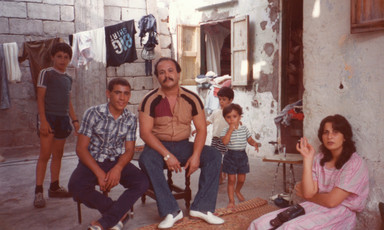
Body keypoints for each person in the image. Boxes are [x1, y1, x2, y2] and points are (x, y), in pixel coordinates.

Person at [138, 57, 225, 229]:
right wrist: (167, 155)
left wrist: (196, 156)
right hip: (158, 147)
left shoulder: (192, 98)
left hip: (183, 145)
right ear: (157, 77)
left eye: (170, 70)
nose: (167, 75)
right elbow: (145, 133)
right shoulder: (149, 99)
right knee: (146, 159)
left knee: (214, 155)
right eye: (161, 72)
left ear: (178, 73)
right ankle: (171, 211)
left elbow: (201, 129)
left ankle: (202, 207)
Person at [248, 114, 369, 230]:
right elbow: (308, 192)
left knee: (288, 228)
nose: (330, 136)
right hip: (314, 206)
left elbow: (332, 202)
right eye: (325, 132)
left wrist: (310, 196)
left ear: (345, 137)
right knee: (259, 224)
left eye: (335, 132)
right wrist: (307, 158)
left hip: (340, 213)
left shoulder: (354, 163)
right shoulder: (320, 158)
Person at [68, 78, 149, 230]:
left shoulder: (130, 119)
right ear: (108, 94)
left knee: (142, 182)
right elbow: (81, 149)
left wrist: (118, 168)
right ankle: (119, 214)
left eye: (126, 94)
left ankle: (107, 221)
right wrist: (99, 173)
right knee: (75, 186)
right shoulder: (93, 113)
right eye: (117, 93)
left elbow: (130, 150)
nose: (122, 98)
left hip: (116, 160)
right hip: (92, 160)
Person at [34, 42, 80, 208]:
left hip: (63, 120)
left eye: (66, 57)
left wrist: (75, 121)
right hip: (49, 119)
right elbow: (40, 99)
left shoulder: (68, 78)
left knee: (58, 155)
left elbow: (68, 102)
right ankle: (38, 191)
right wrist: (43, 121)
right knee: (45, 155)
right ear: (52, 57)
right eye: (59, 56)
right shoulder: (46, 74)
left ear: (69, 59)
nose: (62, 60)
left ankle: (54, 187)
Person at [192, 86, 234, 184]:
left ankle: (226, 175)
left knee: (227, 159)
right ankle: (219, 177)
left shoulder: (232, 113)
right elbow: (207, 122)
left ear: (230, 100)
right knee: (217, 159)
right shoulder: (216, 112)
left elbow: (236, 125)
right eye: (220, 99)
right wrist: (197, 130)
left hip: (227, 139)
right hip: (216, 140)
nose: (221, 101)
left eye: (224, 99)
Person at [221, 103, 259, 208]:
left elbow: (249, 139)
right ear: (225, 119)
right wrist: (230, 130)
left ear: (240, 117)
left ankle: (237, 191)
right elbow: (224, 142)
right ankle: (231, 200)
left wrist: (254, 143)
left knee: (241, 179)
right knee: (231, 179)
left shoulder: (244, 129)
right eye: (228, 117)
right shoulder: (225, 131)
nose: (231, 119)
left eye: (234, 116)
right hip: (230, 156)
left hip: (242, 156)